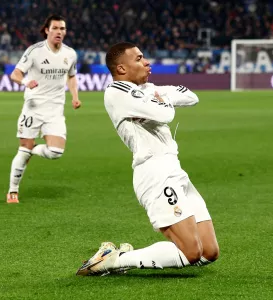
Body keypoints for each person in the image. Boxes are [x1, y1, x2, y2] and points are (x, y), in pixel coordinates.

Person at [76, 42, 219, 276]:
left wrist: (155, 96)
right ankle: (115, 259)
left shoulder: (144, 91)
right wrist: (159, 98)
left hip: (174, 169)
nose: (147, 62)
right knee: (191, 253)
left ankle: (117, 258)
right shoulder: (116, 92)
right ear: (121, 69)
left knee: (209, 252)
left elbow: (190, 95)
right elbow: (166, 113)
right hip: (154, 173)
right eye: (139, 58)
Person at [7, 14, 81, 203]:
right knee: (23, 150)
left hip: (55, 110)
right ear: (47, 30)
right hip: (33, 108)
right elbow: (15, 74)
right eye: (55, 28)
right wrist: (25, 82)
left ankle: (30, 150)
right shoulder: (34, 51)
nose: (59, 32)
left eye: (62, 28)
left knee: (56, 152)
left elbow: (71, 76)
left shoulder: (70, 54)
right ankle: (13, 190)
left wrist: (75, 96)